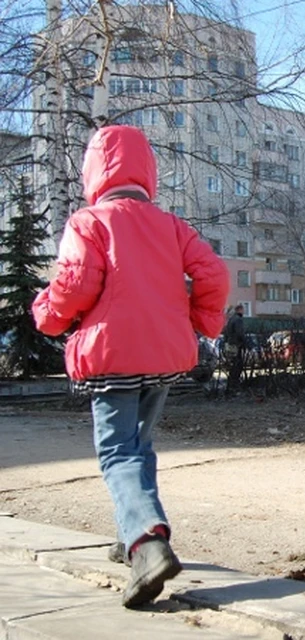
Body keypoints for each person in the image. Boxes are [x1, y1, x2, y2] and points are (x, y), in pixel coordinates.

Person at [32, 125, 230, 608]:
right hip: (162, 357)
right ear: (146, 172)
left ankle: (146, 542)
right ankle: (133, 537)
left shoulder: (90, 221)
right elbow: (215, 274)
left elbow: (75, 286)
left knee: (118, 453)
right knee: (138, 447)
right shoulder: (171, 225)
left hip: (112, 357)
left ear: (95, 171)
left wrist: (47, 315)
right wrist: (199, 323)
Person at [223, 304, 245, 392]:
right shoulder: (238, 320)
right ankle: (234, 385)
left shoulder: (230, 320)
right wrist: (243, 342)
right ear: (240, 310)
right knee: (238, 365)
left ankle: (231, 385)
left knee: (232, 365)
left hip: (230, 345)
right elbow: (240, 333)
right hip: (236, 345)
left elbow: (226, 333)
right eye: (243, 310)